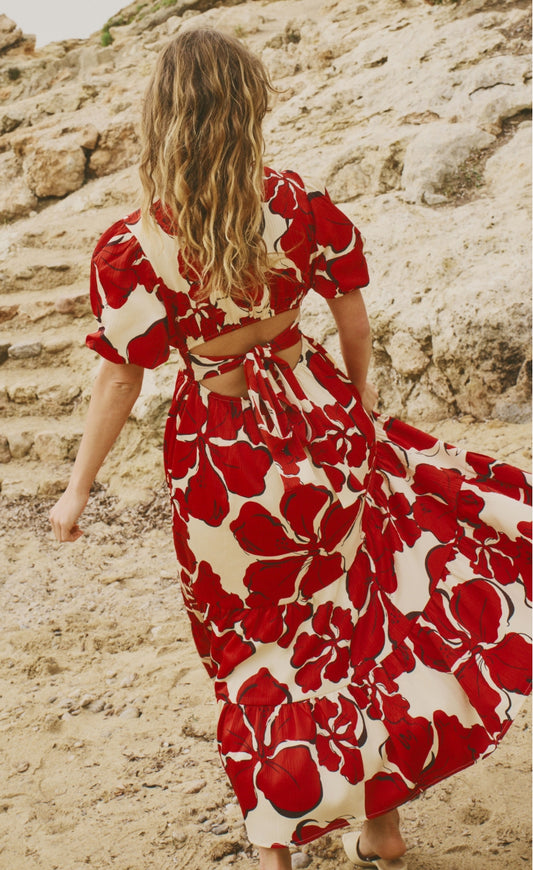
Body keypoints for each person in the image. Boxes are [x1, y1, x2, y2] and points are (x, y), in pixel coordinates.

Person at [49, 27, 532, 870]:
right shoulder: (297, 204)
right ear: (249, 110)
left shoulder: (133, 246)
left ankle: (278, 839)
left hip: (221, 463)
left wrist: (78, 489)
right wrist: (359, 402)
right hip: (320, 425)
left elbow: (121, 381)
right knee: (358, 619)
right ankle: (380, 825)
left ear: (161, 118)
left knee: (253, 644)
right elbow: (351, 316)